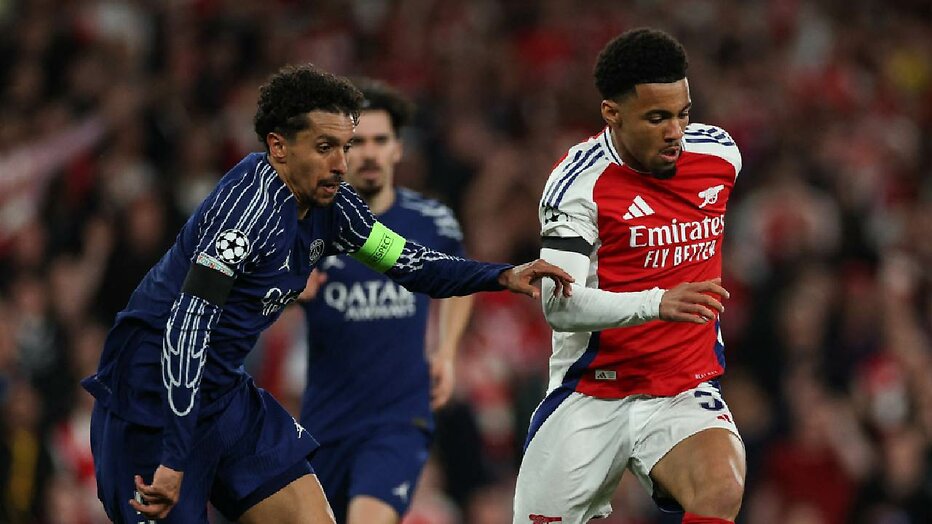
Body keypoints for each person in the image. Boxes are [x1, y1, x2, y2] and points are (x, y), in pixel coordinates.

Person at [81, 64, 574, 524]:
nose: (342, 164)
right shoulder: (245, 213)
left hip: (223, 392)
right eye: (324, 148)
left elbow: (411, 263)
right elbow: (186, 329)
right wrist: (173, 453)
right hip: (154, 395)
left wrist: (502, 276)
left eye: (346, 146)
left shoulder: (334, 208)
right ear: (278, 147)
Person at [513, 28, 745, 524]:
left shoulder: (720, 156)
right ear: (611, 114)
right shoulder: (578, 184)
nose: (675, 132)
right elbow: (559, 306)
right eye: (657, 118)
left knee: (721, 488)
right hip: (592, 392)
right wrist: (656, 301)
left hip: (682, 388)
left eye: (682, 114)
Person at [297, 78, 472, 524]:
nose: (370, 153)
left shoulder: (432, 221)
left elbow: (460, 283)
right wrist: (287, 291)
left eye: (381, 140)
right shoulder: (310, 225)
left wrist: (446, 352)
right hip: (325, 423)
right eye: (358, 143)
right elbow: (257, 299)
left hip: (398, 421)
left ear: (398, 149)